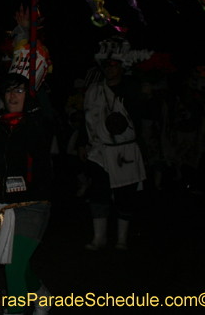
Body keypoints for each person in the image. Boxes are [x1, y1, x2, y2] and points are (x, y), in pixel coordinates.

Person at [0, 73, 52, 315]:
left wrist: (33, 112)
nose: (13, 95)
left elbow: (41, 146)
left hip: (32, 202)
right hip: (4, 204)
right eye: (9, 90)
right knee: (16, 261)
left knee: (12, 266)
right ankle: (41, 293)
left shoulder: (37, 122)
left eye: (19, 90)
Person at [77, 41, 147, 251]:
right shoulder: (95, 90)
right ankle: (100, 238)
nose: (109, 68)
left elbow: (146, 114)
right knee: (99, 192)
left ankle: (122, 238)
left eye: (114, 64)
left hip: (125, 150)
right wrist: (81, 143)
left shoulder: (132, 88)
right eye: (106, 64)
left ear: (122, 67)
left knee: (125, 194)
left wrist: (147, 93)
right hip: (99, 149)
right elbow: (85, 116)